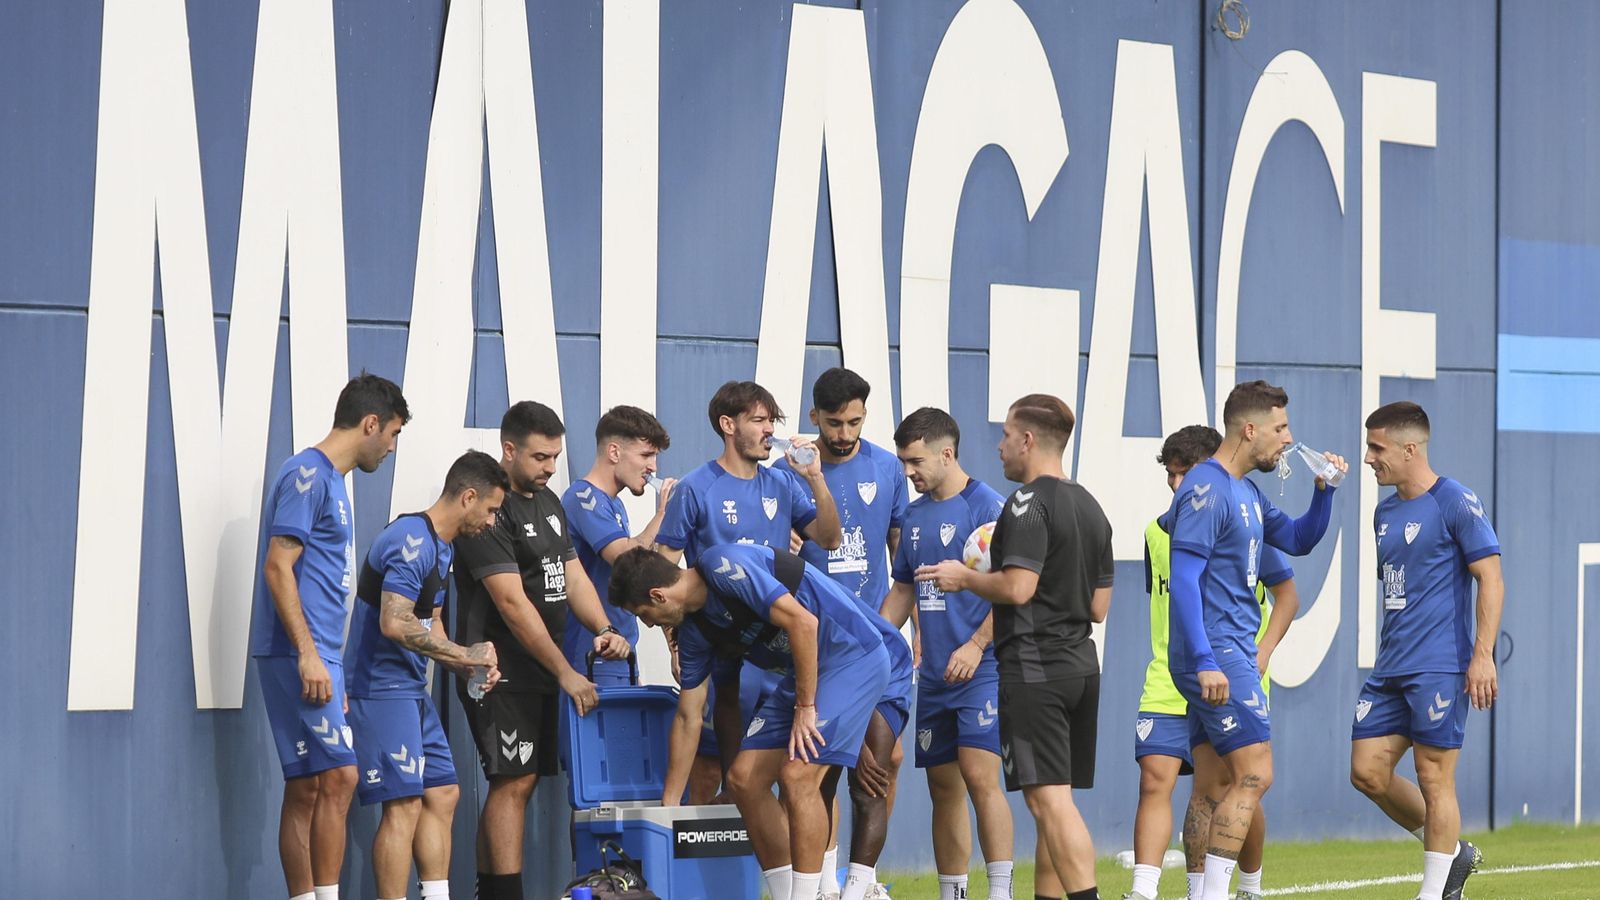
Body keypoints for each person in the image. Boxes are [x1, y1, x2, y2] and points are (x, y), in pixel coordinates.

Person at [608, 544, 897, 900]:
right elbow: (688, 717)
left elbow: (803, 622)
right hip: (805, 674)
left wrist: (805, 708)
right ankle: (786, 893)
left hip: (851, 655)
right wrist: (669, 807)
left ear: (659, 595)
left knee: (797, 774)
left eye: (644, 614)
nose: (649, 624)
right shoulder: (695, 633)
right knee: (743, 779)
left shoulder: (721, 566)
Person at [916, 393, 1114, 900]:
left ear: (1028, 440)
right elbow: (1098, 606)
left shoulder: (1026, 502)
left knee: (1049, 803)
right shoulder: (1091, 504)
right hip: (1080, 668)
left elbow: (1019, 588)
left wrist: (965, 578)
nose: (999, 446)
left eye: (1005, 435)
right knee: (1055, 801)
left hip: (1035, 668)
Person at [1164, 381, 1343, 900]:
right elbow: (1186, 581)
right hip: (1217, 654)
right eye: (1280, 428)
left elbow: (1301, 539)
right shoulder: (1206, 486)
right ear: (1249, 429)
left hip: (1228, 654)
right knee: (1256, 774)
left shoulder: (1245, 491)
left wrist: (1324, 490)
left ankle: (1200, 891)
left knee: (1212, 782)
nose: (1287, 439)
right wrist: (1205, 660)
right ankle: (1217, 894)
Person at [452, 401, 633, 900]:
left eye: (555, 457)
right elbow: (512, 603)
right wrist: (565, 672)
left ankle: (492, 893)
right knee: (513, 780)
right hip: (496, 667)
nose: (550, 467)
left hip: (539, 667)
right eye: (539, 457)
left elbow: (570, 574)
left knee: (522, 782)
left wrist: (603, 627)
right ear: (508, 450)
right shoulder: (488, 510)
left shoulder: (550, 502)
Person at [252, 372, 409, 900]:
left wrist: (329, 663)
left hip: (321, 657)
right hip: (296, 652)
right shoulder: (307, 475)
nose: (390, 448)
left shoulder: (333, 484)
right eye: (392, 435)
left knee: (310, 784)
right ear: (370, 424)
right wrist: (308, 655)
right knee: (340, 778)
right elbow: (279, 567)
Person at [1127, 426, 1300, 900]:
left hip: (1230, 667)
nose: (1178, 485)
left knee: (1237, 781)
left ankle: (1248, 886)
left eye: (1185, 473)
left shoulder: (1237, 514)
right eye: (1171, 474)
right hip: (1172, 673)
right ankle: (1156, 890)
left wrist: (1262, 652)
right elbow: (1170, 599)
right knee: (1158, 778)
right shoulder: (1154, 533)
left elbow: (1288, 592)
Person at [654, 380, 842, 806]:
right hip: (722, 641)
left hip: (777, 637)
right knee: (725, 758)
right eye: (758, 420)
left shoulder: (783, 483)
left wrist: (816, 480)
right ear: (728, 425)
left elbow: (829, 539)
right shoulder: (696, 487)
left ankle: (805, 869)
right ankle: (706, 839)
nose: (768, 430)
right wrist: (673, 641)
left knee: (795, 768)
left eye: (770, 421)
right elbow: (664, 571)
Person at [1349, 401, 1501, 900]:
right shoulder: (1384, 511)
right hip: (1391, 663)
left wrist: (1482, 655)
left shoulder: (1455, 501)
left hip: (1441, 664)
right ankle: (1453, 853)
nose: (1369, 458)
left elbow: (1491, 579)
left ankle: (1434, 892)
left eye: (1377, 447)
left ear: (1409, 448)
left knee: (1434, 777)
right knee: (1367, 771)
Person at [344, 450, 507, 900]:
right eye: (491, 510)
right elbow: (394, 622)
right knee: (404, 806)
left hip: (412, 691)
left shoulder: (443, 546)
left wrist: (468, 662)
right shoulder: (409, 540)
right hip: (379, 689)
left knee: (444, 794)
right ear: (468, 497)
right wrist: (462, 652)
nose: (493, 522)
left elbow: (431, 622)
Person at [775, 367, 911, 900]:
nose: (845, 434)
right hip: (816, 641)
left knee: (882, 761)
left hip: (876, 640)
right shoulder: (790, 473)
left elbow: (901, 551)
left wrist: (911, 628)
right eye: (834, 423)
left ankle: (862, 882)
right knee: (823, 766)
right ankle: (825, 881)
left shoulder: (887, 467)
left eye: (855, 422)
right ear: (814, 419)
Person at [883, 407, 1014, 900]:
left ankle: (999, 891)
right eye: (902, 462)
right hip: (936, 676)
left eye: (915, 461)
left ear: (947, 452)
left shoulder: (989, 509)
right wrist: (871, 640)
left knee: (981, 777)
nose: (908, 472)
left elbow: (1016, 589)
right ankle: (952, 893)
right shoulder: (914, 515)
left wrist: (978, 644)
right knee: (943, 787)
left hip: (983, 669)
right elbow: (902, 592)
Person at [560, 405, 675, 686]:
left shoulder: (615, 503)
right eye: (646, 455)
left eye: (656, 457)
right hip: (592, 651)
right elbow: (627, 558)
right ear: (614, 452)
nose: (653, 468)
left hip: (622, 648)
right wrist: (663, 515)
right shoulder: (583, 497)